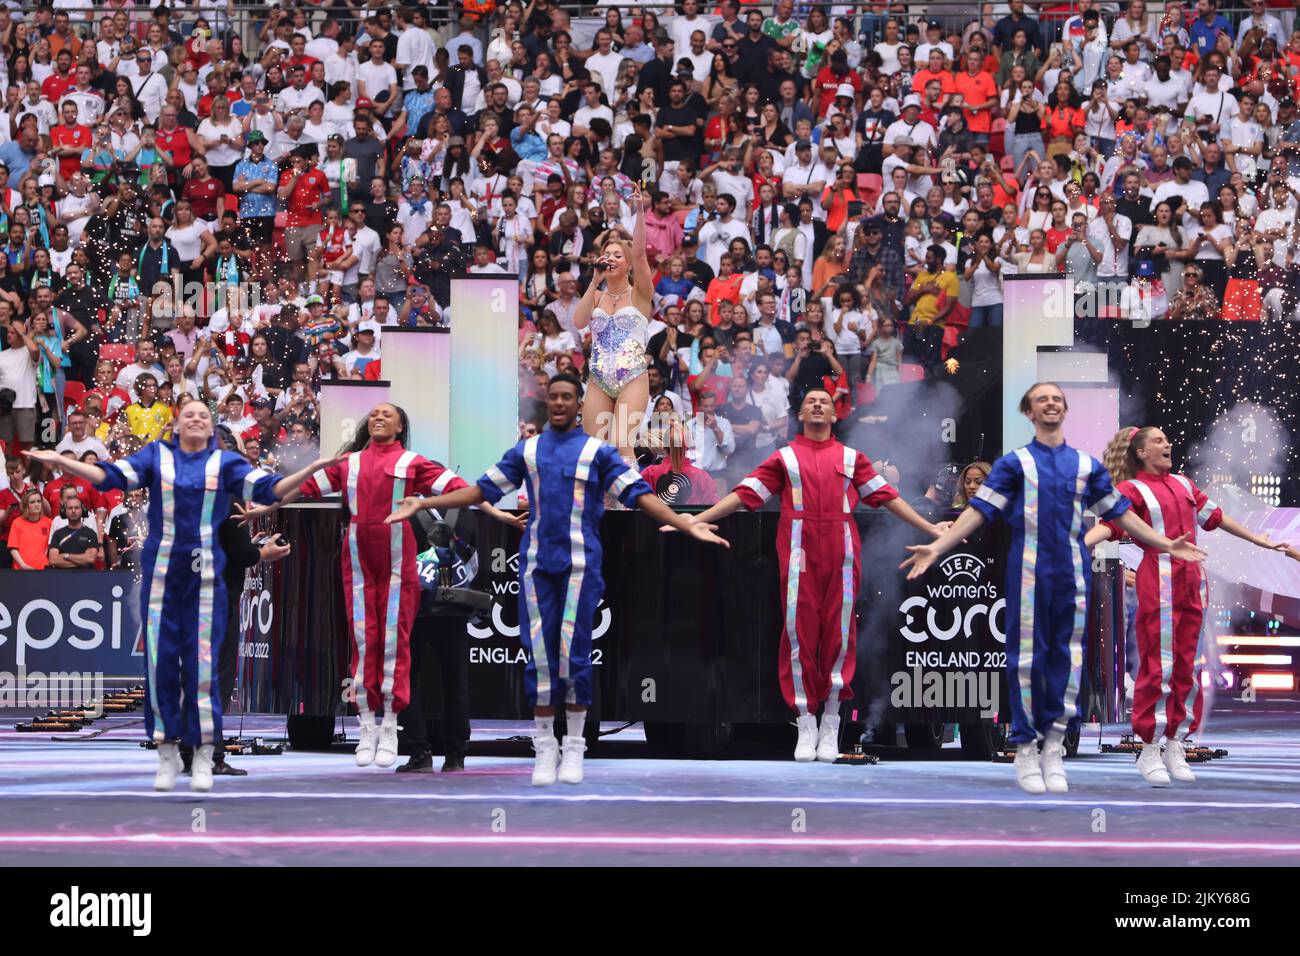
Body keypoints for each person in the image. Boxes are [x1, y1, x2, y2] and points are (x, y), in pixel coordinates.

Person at [387, 374, 728, 787]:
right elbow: (480, 493)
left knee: (575, 656)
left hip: (581, 568)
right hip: (535, 569)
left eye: (569, 397)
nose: (562, 403)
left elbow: (640, 496)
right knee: (541, 660)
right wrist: (425, 502)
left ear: (580, 405)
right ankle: (545, 747)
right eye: (555, 397)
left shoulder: (599, 453)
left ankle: (576, 749)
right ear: (547, 403)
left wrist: (687, 524)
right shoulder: (527, 451)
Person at [901, 383, 1207, 795]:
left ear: (1064, 411)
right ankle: (1026, 746)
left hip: (1073, 575)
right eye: (1042, 398)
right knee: (1027, 659)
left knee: (1069, 661)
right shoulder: (1014, 464)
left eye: (1057, 399)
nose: (1050, 403)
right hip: (1027, 573)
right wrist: (938, 544)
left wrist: (1165, 543)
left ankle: (1054, 747)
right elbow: (979, 511)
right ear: (1029, 411)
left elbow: (1118, 515)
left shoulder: (1085, 466)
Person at [23, 399, 336, 792]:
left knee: (205, 670)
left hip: (208, 581)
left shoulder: (225, 465)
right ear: (176, 423)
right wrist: (63, 462)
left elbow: (270, 489)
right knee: (164, 667)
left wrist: (310, 470)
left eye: (203, 415)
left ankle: (204, 753)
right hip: (163, 580)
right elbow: (109, 477)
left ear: (211, 429)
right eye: (188, 413)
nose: (195, 418)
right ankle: (169, 750)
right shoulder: (157, 456)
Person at [689, 388, 946, 762]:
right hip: (798, 556)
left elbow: (889, 497)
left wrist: (929, 527)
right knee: (798, 636)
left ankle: (830, 721)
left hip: (842, 557)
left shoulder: (851, 458)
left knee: (840, 636)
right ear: (801, 411)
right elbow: (744, 495)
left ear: (834, 414)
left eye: (825, 400)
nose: (818, 404)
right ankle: (805, 721)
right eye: (811, 400)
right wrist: (694, 519)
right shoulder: (785, 458)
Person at [1088, 426, 1300, 785]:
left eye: (1168, 439)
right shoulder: (1131, 490)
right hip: (1159, 584)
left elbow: (1217, 518)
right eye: (1158, 440)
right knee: (1159, 667)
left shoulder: (1185, 485)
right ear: (1141, 453)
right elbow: (1110, 526)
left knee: (1189, 668)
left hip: (1193, 585)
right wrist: (1076, 544)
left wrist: (1260, 540)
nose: (1167, 443)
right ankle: (1149, 747)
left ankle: (1176, 743)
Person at [574, 182, 654, 462]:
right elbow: (579, 320)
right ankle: (597, 505)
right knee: (593, 450)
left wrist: (640, 211)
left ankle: (629, 506)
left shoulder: (640, 295)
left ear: (628, 263)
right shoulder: (596, 295)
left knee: (622, 445)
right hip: (598, 377)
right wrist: (594, 282)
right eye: (607, 255)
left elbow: (641, 253)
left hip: (631, 375)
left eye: (617, 255)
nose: (611, 259)